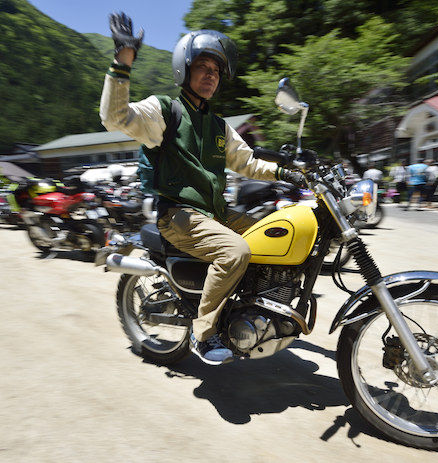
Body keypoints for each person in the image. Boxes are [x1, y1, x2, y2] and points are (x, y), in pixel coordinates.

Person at [99, 12, 302, 366]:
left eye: (216, 71)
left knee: (279, 228)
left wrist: (289, 173)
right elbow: (114, 117)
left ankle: (255, 307)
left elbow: (249, 163)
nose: (211, 75)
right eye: (203, 67)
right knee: (235, 251)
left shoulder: (219, 126)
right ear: (185, 70)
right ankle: (202, 333)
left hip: (213, 213)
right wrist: (123, 60)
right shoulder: (164, 111)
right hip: (178, 214)